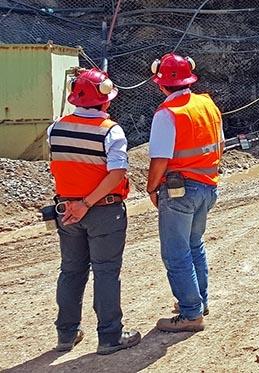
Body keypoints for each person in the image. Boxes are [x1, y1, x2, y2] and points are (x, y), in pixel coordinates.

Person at [47, 68, 141, 355]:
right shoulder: (111, 131)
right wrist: (87, 202)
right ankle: (110, 337)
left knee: (71, 271)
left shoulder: (55, 129)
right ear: (105, 101)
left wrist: (76, 203)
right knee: (106, 272)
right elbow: (116, 174)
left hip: (67, 212)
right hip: (102, 210)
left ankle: (66, 334)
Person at [146, 53, 224, 332]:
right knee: (194, 244)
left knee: (176, 252)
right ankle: (198, 301)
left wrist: (152, 187)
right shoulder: (207, 105)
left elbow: (160, 159)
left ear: (161, 84)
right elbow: (220, 145)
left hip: (180, 190)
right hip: (208, 185)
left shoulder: (168, 114)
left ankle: (191, 313)